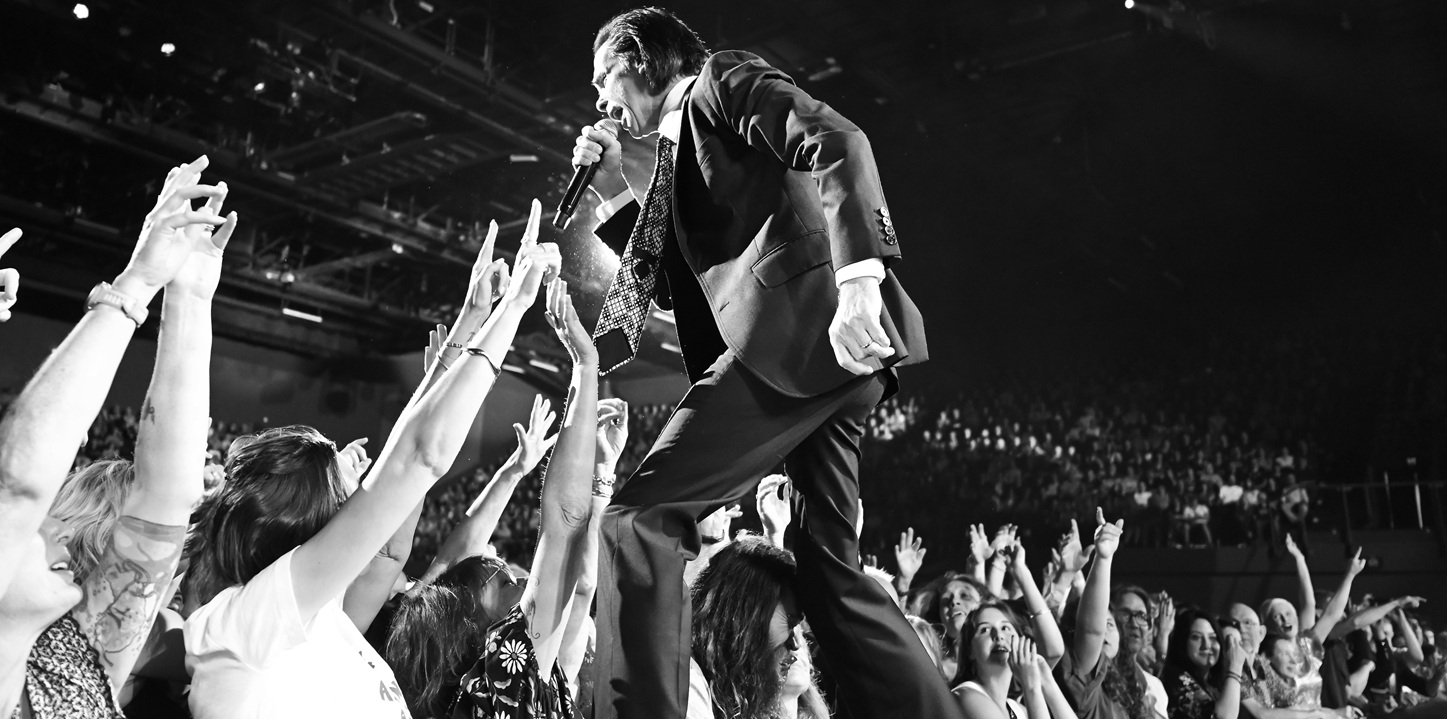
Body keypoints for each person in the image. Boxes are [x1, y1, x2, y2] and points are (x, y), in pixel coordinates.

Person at [572, 8, 939, 718]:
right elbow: (675, 294)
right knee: (828, 568)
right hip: (819, 363)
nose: (598, 98)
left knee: (638, 518)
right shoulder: (678, 158)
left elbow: (837, 139)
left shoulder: (719, 79)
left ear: (642, 59)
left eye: (603, 76)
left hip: (802, 338)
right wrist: (612, 185)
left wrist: (859, 280)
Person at [182, 201, 560, 718]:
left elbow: (389, 542)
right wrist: (512, 308)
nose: (356, 501)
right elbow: (413, 461)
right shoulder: (252, 621)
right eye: (343, 493)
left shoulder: (318, 614)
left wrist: (463, 334)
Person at [0, 157, 234, 718]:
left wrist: (189, 298)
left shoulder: (69, 667)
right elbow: (19, 483)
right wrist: (134, 286)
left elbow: (165, 500)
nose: (72, 554)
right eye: (36, 534)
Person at [1159, 609, 1245, 719]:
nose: (1207, 645)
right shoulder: (1174, 678)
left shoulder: (1214, 683)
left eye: (1213, 638)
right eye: (1196, 637)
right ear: (1182, 642)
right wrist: (1235, 668)